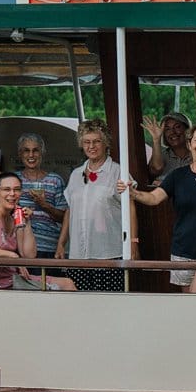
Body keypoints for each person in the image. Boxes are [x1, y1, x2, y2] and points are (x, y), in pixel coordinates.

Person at [127, 122, 196, 293]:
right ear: (189, 144)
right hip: (182, 250)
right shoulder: (177, 176)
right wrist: (132, 193)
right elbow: (154, 198)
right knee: (190, 307)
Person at [0, 172, 75, 291]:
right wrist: (12, 256)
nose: (12, 194)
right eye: (7, 189)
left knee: (67, 283)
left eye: (17, 189)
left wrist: (27, 223)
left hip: (11, 279)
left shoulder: (14, 217)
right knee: (64, 286)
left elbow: (29, 255)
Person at [58, 120, 127, 292]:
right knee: (80, 304)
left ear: (106, 143)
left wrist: (133, 243)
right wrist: (61, 243)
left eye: (96, 141)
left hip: (108, 252)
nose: (91, 146)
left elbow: (130, 207)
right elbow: (69, 209)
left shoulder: (118, 171)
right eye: (87, 142)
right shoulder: (75, 174)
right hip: (78, 254)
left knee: (109, 304)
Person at [12, 132, 66, 262]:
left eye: (35, 150)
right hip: (20, 246)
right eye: (26, 151)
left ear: (42, 153)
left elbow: (64, 218)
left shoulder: (55, 180)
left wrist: (44, 205)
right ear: (20, 154)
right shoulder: (14, 180)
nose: (31, 155)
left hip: (49, 248)